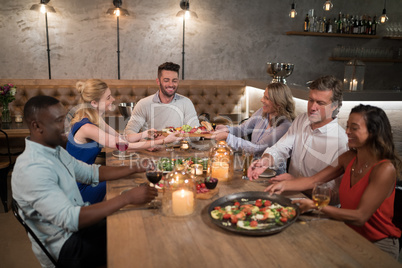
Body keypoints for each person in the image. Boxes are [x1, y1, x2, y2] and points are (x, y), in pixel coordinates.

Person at [12, 95, 158, 267]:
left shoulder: (55, 150)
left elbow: (91, 172)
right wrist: (127, 198)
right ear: (37, 126)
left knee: (140, 224)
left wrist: (135, 168)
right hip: (67, 247)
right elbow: (71, 219)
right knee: (139, 243)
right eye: (59, 121)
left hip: (80, 229)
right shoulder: (32, 168)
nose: (67, 125)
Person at [265, 104, 402, 259]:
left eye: (354, 128)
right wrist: (280, 186)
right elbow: (313, 180)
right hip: (347, 234)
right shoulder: (348, 158)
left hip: (378, 244)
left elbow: (360, 216)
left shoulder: (384, 169)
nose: (347, 132)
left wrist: (316, 206)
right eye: (348, 126)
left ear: (373, 132)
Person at [67, 79, 180, 204]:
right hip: (78, 189)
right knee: (123, 182)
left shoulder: (95, 120)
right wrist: (163, 141)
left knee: (127, 179)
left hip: (88, 179)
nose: (113, 99)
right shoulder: (87, 127)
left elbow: (122, 139)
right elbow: (123, 147)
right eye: (108, 97)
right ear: (94, 103)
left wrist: (145, 134)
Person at [248, 75, 348, 203]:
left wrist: (295, 184)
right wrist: (265, 161)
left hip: (318, 209)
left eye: (320, 103)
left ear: (334, 106)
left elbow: (336, 197)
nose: (312, 107)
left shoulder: (341, 142)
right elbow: (281, 148)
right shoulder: (302, 120)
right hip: (289, 196)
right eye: (311, 100)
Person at [212, 83, 296, 173]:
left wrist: (227, 136)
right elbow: (243, 129)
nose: (262, 100)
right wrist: (227, 129)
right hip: (252, 167)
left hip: (272, 173)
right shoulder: (262, 112)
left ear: (278, 103)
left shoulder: (285, 126)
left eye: (266, 98)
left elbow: (257, 148)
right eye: (264, 96)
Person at [125, 62, 199, 133]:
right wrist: (142, 139)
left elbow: (196, 134)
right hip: (151, 145)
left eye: (174, 81)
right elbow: (129, 131)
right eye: (166, 80)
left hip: (180, 145)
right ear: (158, 81)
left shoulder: (186, 103)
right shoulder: (143, 104)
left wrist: (176, 137)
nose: (171, 84)